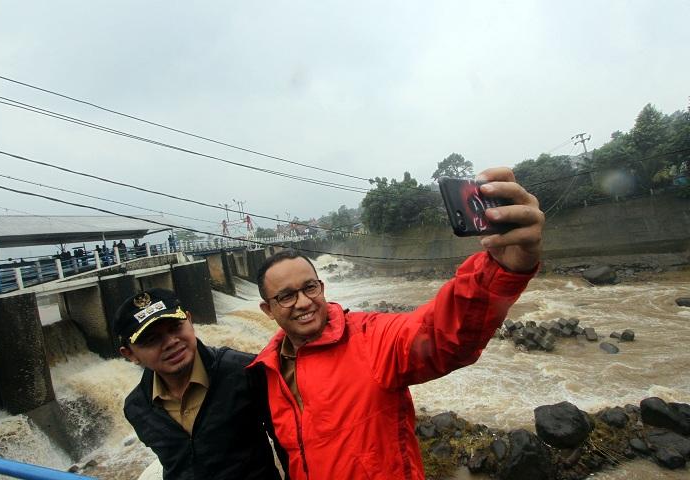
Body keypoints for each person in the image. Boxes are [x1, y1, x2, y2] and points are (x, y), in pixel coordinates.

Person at [250, 167, 544, 479]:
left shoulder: (371, 339)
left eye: (310, 288)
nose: (304, 302)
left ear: (321, 287)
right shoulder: (264, 374)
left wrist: (500, 268)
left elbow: (443, 334)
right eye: (286, 296)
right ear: (268, 309)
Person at [114, 288, 286, 479]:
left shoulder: (245, 371)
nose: (171, 342)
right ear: (129, 354)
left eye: (175, 327)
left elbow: (287, 442)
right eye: (152, 340)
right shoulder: (137, 407)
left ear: (189, 320)